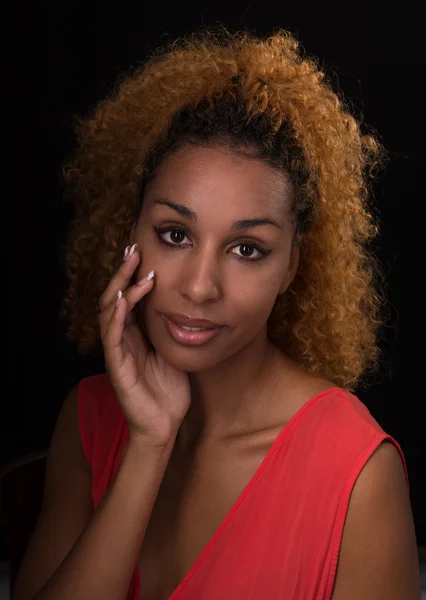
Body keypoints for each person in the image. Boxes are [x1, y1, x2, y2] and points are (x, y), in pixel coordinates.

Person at [12, 25, 420, 600]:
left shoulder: (357, 475)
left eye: (247, 249)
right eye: (175, 235)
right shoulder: (89, 418)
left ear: (291, 268)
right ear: (132, 235)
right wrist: (147, 446)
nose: (200, 288)